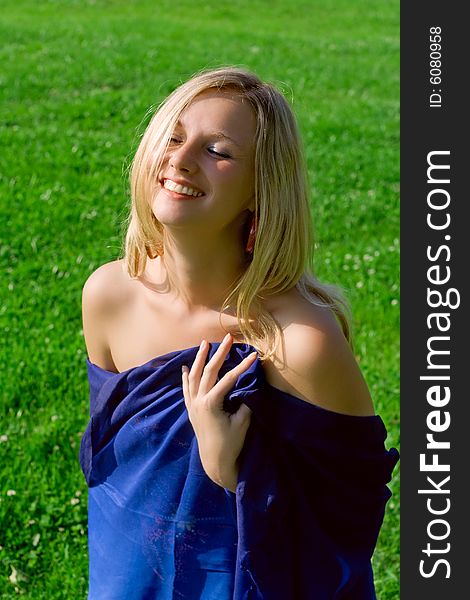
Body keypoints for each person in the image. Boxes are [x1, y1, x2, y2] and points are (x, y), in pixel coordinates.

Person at [79, 66, 398, 599]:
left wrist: (230, 466)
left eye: (218, 151)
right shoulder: (109, 297)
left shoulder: (297, 342)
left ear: (260, 187)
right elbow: (118, 470)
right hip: (126, 568)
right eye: (174, 137)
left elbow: (348, 516)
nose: (180, 160)